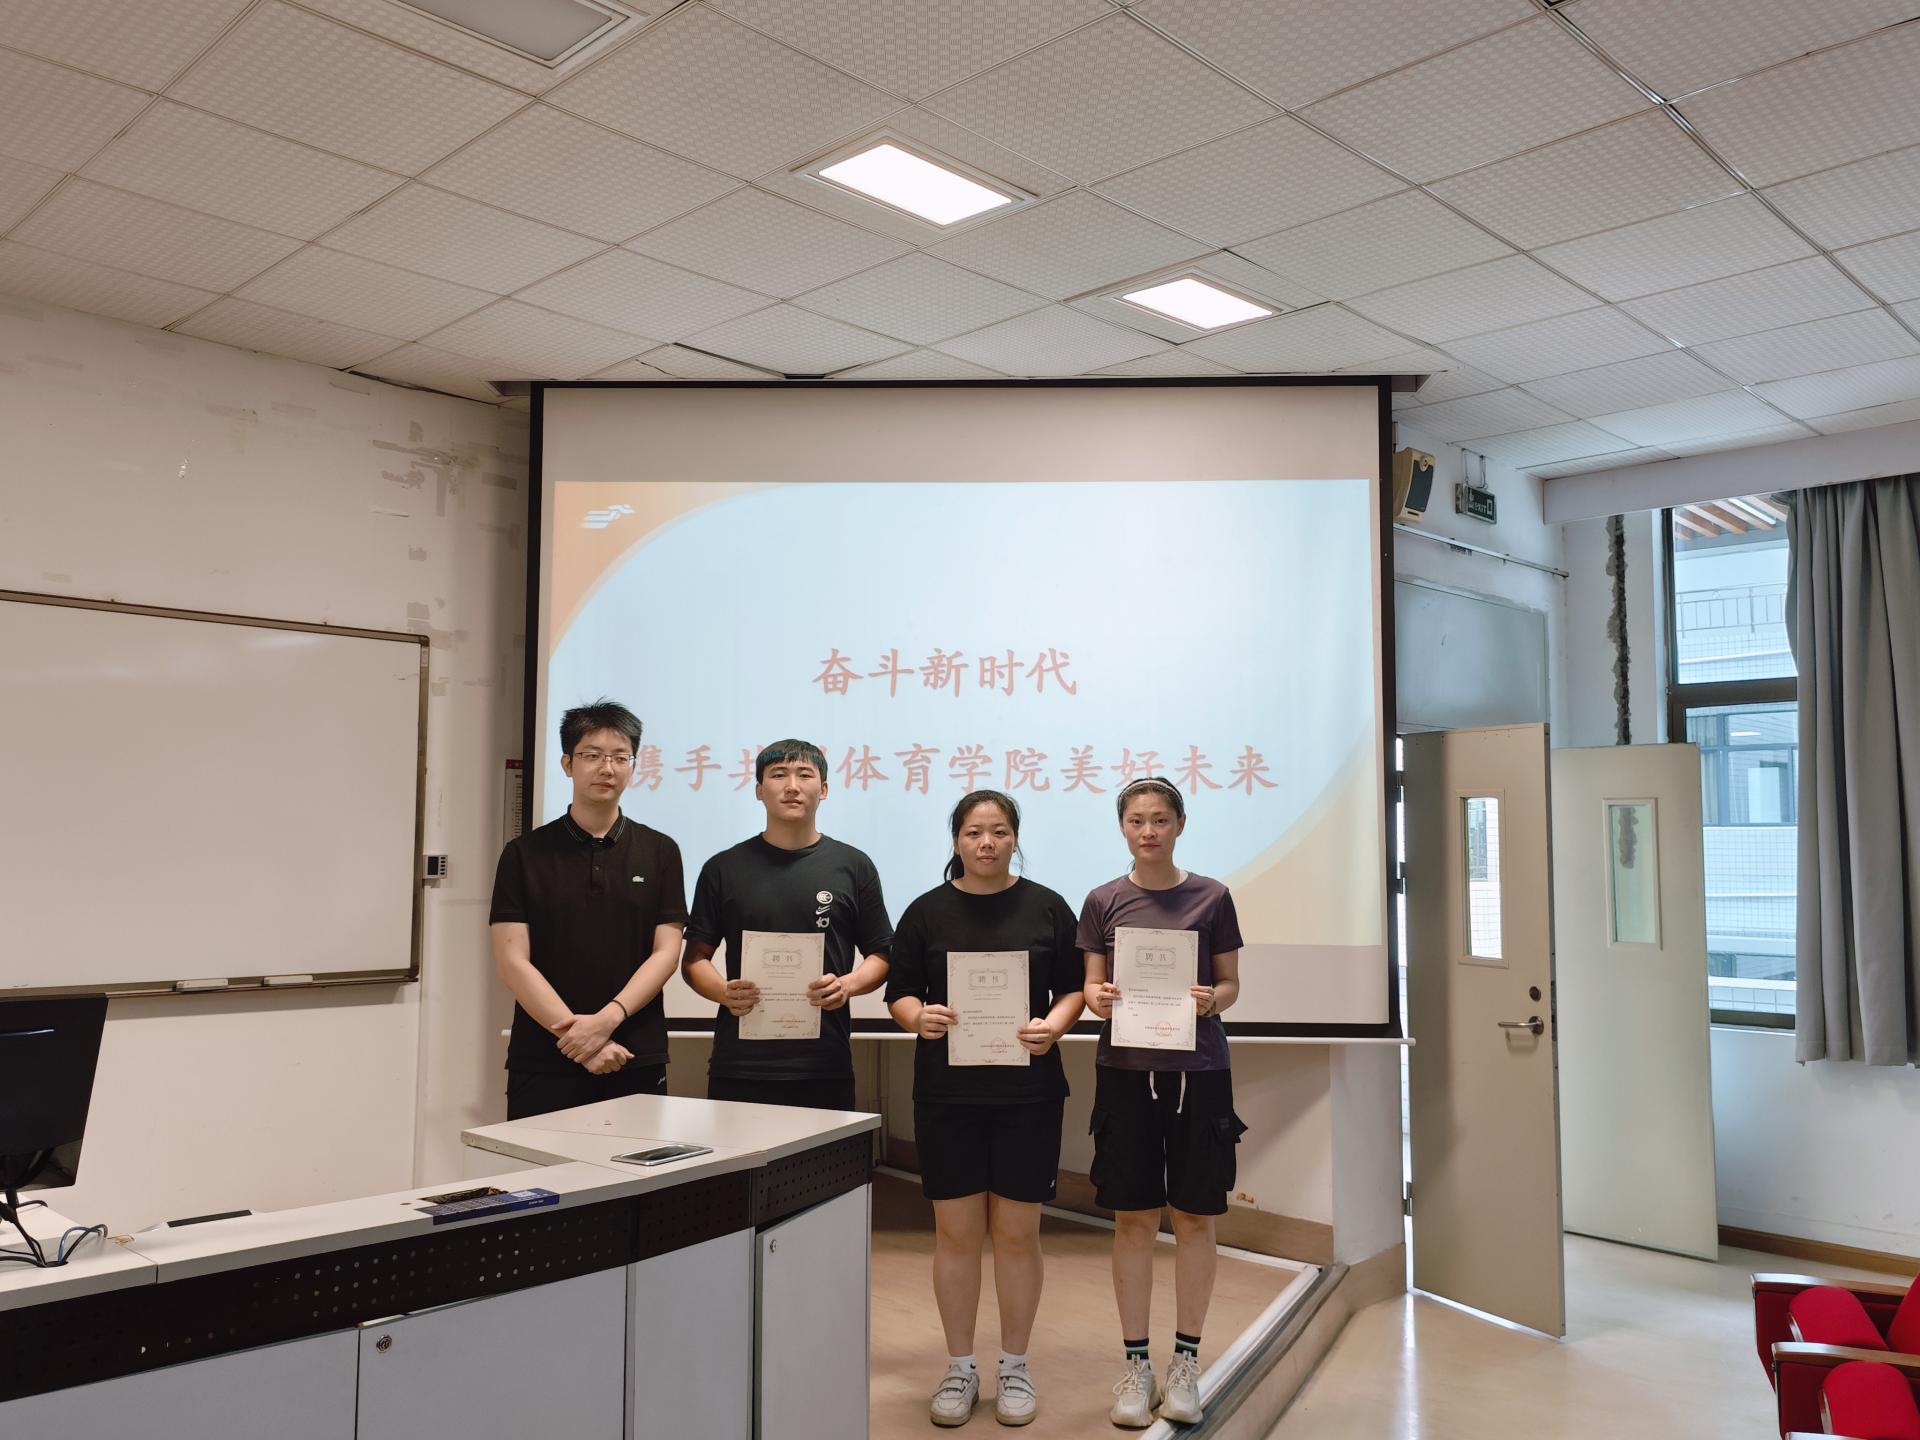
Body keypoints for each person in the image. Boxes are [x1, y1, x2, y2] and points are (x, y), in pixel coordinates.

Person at [886, 791, 1085, 1429]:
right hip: (948, 1096)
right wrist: (919, 1017)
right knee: (956, 1235)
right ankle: (960, 1366)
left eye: (999, 831)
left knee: (1019, 1234)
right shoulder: (926, 911)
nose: (987, 843)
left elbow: (1074, 989)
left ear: (1015, 838)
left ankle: (1015, 1366)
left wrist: (1053, 1025)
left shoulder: (1048, 907)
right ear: (957, 840)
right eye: (974, 832)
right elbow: (900, 993)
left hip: (1029, 1095)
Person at [1080, 777, 1245, 1429]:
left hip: (1199, 1074)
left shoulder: (1212, 896)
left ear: (1180, 824)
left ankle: (1185, 1364)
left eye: (1160, 820)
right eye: (1136, 820)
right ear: (1122, 827)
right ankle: (1137, 1365)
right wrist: (1097, 999)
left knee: (1196, 1218)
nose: (1148, 831)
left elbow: (1230, 985)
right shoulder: (1103, 900)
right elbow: (1092, 989)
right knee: (1133, 1220)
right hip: (1125, 1073)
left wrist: (1211, 1000)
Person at [489, 699, 687, 1121]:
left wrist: (606, 1021)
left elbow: (666, 953)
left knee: (637, 1166)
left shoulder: (661, 851)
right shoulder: (524, 854)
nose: (606, 768)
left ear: (634, 766)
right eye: (592, 755)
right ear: (567, 764)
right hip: (545, 1054)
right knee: (539, 1165)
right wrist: (578, 1038)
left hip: (633, 1051)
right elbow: (512, 961)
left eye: (620, 757)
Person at [681, 739, 891, 1111]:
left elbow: (882, 954)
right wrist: (723, 992)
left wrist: (846, 985)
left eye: (804, 775)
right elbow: (694, 960)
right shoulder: (723, 868)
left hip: (824, 1065)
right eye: (779, 775)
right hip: (740, 1064)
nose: (792, 786)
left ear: (823, 789)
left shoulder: (854, 866)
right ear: (759, 790)